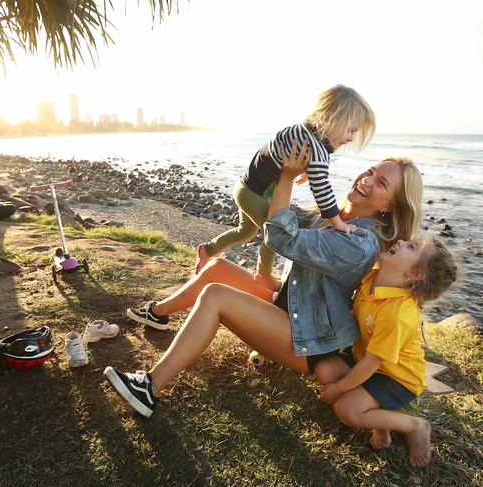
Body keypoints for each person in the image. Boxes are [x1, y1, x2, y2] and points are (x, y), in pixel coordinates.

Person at [105, 142, 422, 424]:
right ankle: (158, 313)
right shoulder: (336, 215)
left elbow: (281, 237)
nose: (366, 179)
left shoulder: (360, 241)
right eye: (369, 171)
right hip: (293, 308)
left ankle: (149, 387)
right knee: (217, 268)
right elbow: (287, 232)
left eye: (380, 183)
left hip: (307, 340)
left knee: (216, 296)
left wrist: (286, 177)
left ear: (389, 206)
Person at [195, 85, 376, 290]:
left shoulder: (302, 131)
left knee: (245, 232)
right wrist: (338, 223)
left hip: (246, 187)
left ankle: (208, 249)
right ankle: (263, 275)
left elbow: (280, 150)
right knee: (274, 231)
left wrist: (306, 170)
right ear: (329, 118)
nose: (352, 137)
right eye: (351, 129)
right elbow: (322, 189)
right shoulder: (315, 149)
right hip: (254, 194)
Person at [314, 237, 457, 468]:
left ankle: (414, 425)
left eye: (410, 247)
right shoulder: (372, 275)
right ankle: (381, 419)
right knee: (325, 370)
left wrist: (340, 388)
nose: (400, 241)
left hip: (397, 376)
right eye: (408, 241)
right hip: (367, 360)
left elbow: (372, 363)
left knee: (346, 409)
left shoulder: (398, 313)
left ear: (415, 274)